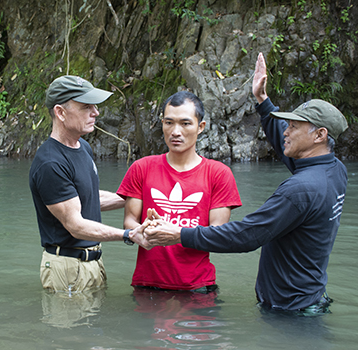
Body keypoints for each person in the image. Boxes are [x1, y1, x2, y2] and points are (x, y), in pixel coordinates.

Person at [145, 52, 348, 314]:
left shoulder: (299, 190)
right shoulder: (333, 170)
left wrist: (179, 234)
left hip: (290, 308)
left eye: (295, 126)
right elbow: (291, 148)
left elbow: (247, 236)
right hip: (311, 293)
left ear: (320, 135)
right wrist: (263, 102)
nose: (286, 130)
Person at [29, 75, 150, 292]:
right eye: (86, 107)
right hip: (66, 266)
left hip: (92, 261)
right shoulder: (50, 163)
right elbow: (75, 225)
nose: (96, 112)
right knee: (71, 326)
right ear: (60, 112)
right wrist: (128, 234)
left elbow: (90, 197)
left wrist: (141, 196)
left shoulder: (82, 147)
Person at [117, 91, 242, 292]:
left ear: (200, 127)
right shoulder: (141, 168)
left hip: (198, 287)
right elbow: (130, 221)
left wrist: (178, 234)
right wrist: (142, 231)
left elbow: (219, 234)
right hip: (148, 284)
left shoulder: (218, 174)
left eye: (185, 123)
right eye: (169, 123)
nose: (175, 132)